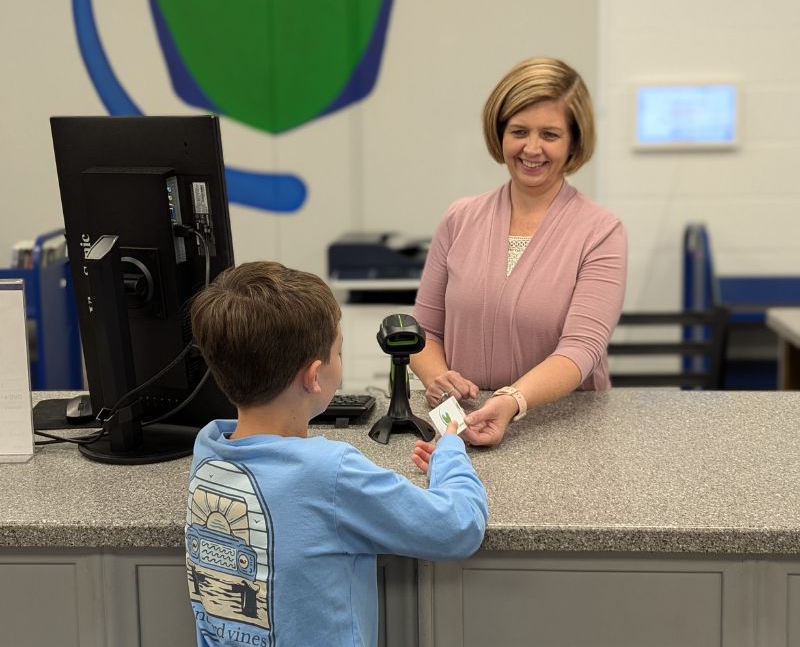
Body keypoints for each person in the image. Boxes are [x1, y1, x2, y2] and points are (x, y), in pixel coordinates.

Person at [186, 261, 488, 647]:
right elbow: (456, 529)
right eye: (338, 352)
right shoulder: (330, 473)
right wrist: (451, 453)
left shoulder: (208, 452)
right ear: (314, 376)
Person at [411, 57, 627, 447]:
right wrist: (437, 383)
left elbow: (582, 349)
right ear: (500, 134)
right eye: (519, 131)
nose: (531, 148)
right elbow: (425, 331)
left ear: (574, 141)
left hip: (564, 430)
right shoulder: (459, 218)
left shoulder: (600, 231)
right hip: (462, 424)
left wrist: (512, 401)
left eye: (549, 134)